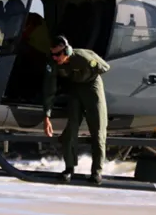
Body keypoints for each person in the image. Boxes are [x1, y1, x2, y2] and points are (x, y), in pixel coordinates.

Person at [41, 35, 110, 184]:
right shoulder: (53, 64)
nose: (55, 58)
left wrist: (91, 68)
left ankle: (97, 172)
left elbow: (105, 67)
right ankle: (69, 168)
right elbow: (49, 89)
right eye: (53, 54)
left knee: (98, 132)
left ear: (67, 51)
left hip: (92, 87)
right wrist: (47, 116)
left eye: (58, 54)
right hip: (75, 89)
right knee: (70, 131)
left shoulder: (83, 56)